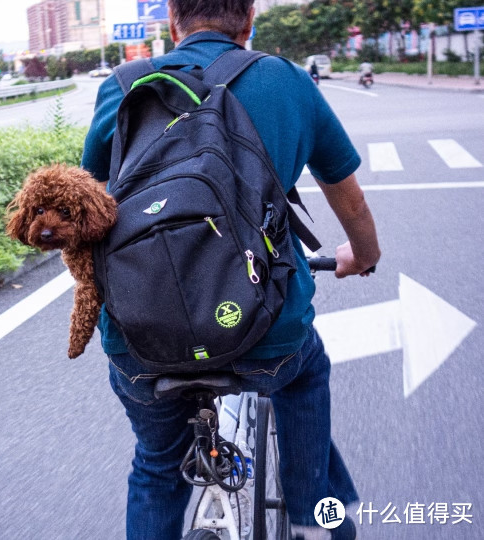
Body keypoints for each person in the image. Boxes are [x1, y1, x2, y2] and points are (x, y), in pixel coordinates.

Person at [80, 1, 381, 539]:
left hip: (142, 338)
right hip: (266, 332)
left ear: (174, 19)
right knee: (303, 371)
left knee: (156, 466)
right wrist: (363, 256)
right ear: (250, 19)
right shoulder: (285, 80)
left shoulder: (124, 83)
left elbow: (91, 202)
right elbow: (348, 199)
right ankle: (314, 517)